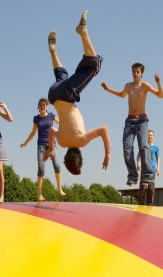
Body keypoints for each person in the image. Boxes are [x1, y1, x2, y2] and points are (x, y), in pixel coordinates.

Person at [43, 10, 111, 175]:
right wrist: (51, 149)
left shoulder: (82, 141)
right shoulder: (63, 141)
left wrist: (107, 153)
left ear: (80, 156)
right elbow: (51, 131)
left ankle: (83, 32)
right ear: (66, 156)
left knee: (95, 66)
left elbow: (103, 129)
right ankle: (53, 53)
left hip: (67, 95)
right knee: (62, 75)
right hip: (53, 95)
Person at [101, 62, 163, 186]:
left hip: (142, 121)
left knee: (144, 147)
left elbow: (160, 95)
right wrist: (108, 89)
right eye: (133, 72)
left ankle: (147, 176)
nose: (135, 74)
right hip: (129, 121)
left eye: (137, 72)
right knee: (127, 149)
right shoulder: (128, 86)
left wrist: (158, 83)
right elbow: (121, 94)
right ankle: (133, 176)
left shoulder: (145, 85)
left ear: (141, 74)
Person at [20, 98, 65, 201]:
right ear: (38, 107)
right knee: (41, 168)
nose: (42, 106)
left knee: (57, 165)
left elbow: (61, 123)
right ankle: (39, 193)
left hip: (52, 145)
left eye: (43, 105)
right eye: (40, 105)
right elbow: (33, 132)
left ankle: (59, 188)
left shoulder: (51, 116)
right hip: (41, 145)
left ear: (46, 106)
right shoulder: (36, 119)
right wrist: (25, 143)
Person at [137, 130, 160, 205]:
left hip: (152, 170)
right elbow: (138, 156)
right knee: (143, 188)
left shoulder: (156, 147)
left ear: (153, 137)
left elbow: (158, 158)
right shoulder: (144, 146)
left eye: (151, 135)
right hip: (145, 170)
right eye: (148, 135)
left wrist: (158, 167)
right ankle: (141, 205)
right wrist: (138, 163)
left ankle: (149, 205)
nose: (150, 137)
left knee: (151, 189)